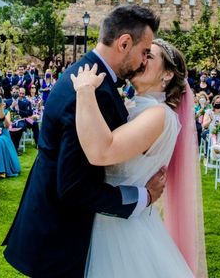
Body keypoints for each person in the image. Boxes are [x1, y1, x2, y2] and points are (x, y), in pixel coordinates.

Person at [3, 4, 170, 278]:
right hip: (61, 235)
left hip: (50, 222)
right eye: (143, 52)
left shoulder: (85, 75)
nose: (143, 61)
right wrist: (143, 196)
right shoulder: (94, 93)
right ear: (124, 43)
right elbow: (74, 187)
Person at [70, 39, 206, 277]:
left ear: (167, 75)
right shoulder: (138, 107)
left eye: (149, 57)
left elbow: (104, 151)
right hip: (110, 215)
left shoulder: (157, 115)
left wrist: (85, 90)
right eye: (142, 54)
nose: (141, 60)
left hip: (123, 230)